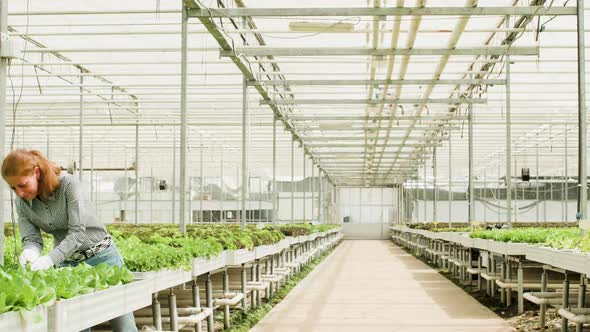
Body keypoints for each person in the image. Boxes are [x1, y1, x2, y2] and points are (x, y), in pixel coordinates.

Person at [2, 149, 138, 332]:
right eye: (13, 188)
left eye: (22, 185)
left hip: (103, 259)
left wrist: (49, 259)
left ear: (36, 172)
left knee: (124, 325)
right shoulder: (22, 203)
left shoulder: (69, 185)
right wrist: (30, 251)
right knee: (77, 326)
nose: (19, 193)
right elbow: (32, 238)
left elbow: (77, 233)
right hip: (68, 268)